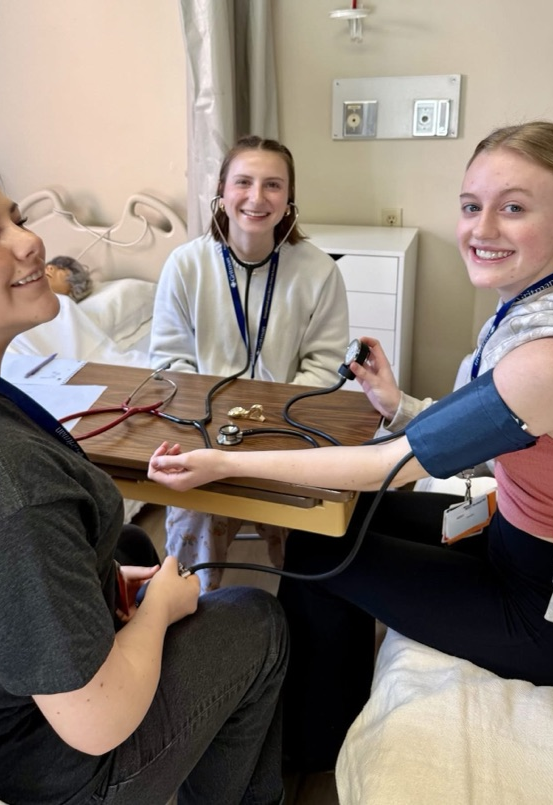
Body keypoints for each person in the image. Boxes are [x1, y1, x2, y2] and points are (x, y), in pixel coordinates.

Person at [148, 121, 553, 771]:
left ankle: (309, 752)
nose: (482, 229)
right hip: (518, 539)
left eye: (513, 208)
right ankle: (316, 713)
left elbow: (385, 465)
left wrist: (223, 463)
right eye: (472, 206)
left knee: (317, 548)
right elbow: (487, 433)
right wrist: (399, 405)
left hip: (550, 609)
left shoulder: (548, 354)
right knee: (336, 517)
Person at [0, 132, 288, 805]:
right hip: (24, 772)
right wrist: (158, 613)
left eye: (18, 219)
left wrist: (105, 587)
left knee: (129, 542)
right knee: (254, 619)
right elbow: (97, 723)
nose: (29, 244)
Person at [149, 135, 350, 590]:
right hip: (202, 430)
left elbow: (323, 366)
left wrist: (267, 429)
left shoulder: (319, 271)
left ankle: (299, 625)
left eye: (273, 185)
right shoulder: (185, 265)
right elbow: (168, 362)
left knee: (306, 544)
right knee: (191, 525)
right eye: (243, 182)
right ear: (221, 192)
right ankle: (184, 617)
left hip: (286, 433)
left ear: (289, 200)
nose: (257, 198)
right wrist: (217, 429)